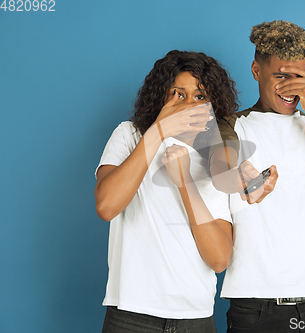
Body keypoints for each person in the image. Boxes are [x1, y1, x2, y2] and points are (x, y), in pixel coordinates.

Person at [209, 21, 305, 332]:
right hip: (255, 306)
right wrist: (239, 174)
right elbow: (220, 169)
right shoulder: (232, 125)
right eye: (281, 76)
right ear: (256, 70)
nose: (292, 87)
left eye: (300, 77)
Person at [94, 50, 238, 333]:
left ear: (212, 104)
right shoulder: (129, 135)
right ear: (160, 96)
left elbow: (219, 259)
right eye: (178, 94)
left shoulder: (217, 157)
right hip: (131, 315)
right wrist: (157, 132)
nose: (187, 105)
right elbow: (107, 206)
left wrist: (184, 180)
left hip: (194, 318)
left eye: (199, 96)